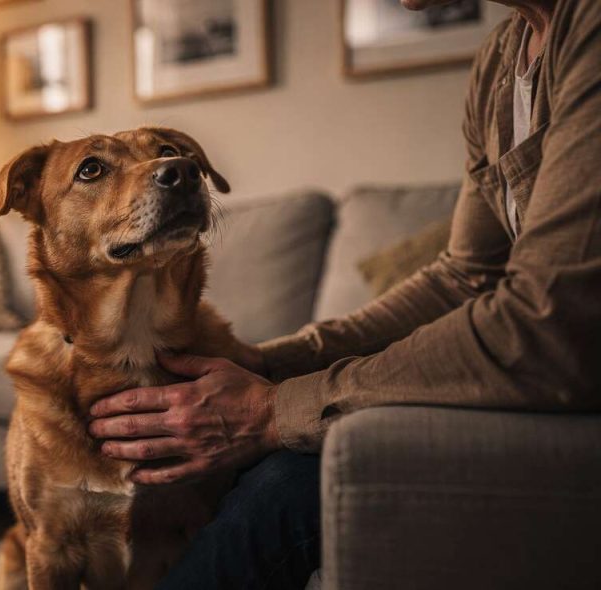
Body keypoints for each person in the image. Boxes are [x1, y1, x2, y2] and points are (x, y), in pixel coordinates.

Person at [88, 0, 601, 587]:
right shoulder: (498, 61)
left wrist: (269, 410)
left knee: (286, 484)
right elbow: (465, 277)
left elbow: (547, 325)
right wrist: (266, 363)